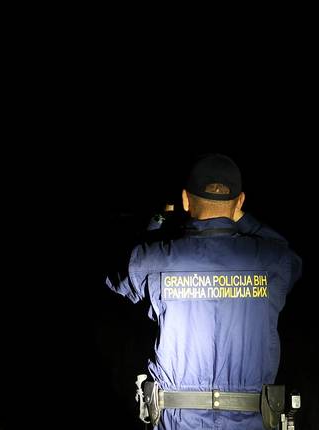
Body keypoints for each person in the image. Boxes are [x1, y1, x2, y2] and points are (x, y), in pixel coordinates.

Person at [105, 153, 302, 429]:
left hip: (176, 421)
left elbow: (119, 270)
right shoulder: (273, 261)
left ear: (186, 200)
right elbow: (289, 255)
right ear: (240, 202)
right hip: (250, 421)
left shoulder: (155, 259)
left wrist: (160, 219)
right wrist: (242, 218)